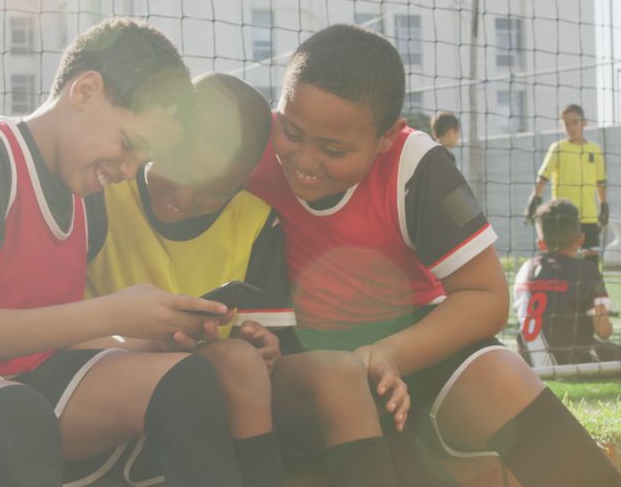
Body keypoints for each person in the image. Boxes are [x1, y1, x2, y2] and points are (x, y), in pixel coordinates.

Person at [0, 18, 267, 487]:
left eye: (140, 162)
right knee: (18, 416)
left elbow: (49, 334)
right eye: (129, 145)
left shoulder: (87, 202)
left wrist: (155, 334)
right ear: (85, 91)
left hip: (20, 376)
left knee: (184, 379)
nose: (127, 171)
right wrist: (113, 314)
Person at [247, 24, 621, 487]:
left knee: (500, 374)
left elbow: (485, 296)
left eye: (332, 149)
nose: (304, 160)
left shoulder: (415, 166)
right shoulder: (250, 148)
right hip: (298, 364)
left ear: (387, 136)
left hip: (408, 346)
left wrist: (388, 353)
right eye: (292, 131)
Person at [84, 72, 401, 487]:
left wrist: (266, 347)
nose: (183, 198)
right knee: (234, 361)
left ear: (241, 183)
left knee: (339, 373)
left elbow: (275, 345)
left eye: (211, 192)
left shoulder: (254, 221)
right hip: (105, 369)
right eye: (176, 171)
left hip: (220, 381)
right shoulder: (103, 189)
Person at [516, 199, 621, 367]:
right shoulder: (586, 271)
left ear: (540, 243)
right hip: (575, 360)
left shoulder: (525, 269)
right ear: (581, 239)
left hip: (527, 362)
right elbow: (603, 332)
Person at [526, 104, 609, 264]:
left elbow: (600, 182)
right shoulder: (558, 148)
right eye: (566, 123)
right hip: (563, 217)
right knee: (561, 262)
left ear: (584, 123)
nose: (571, 127)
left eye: (574, 122)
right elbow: (543, 177)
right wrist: (534, 199)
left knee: (591, 263)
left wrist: (604, 205)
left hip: (589, 217)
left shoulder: (595, 150)